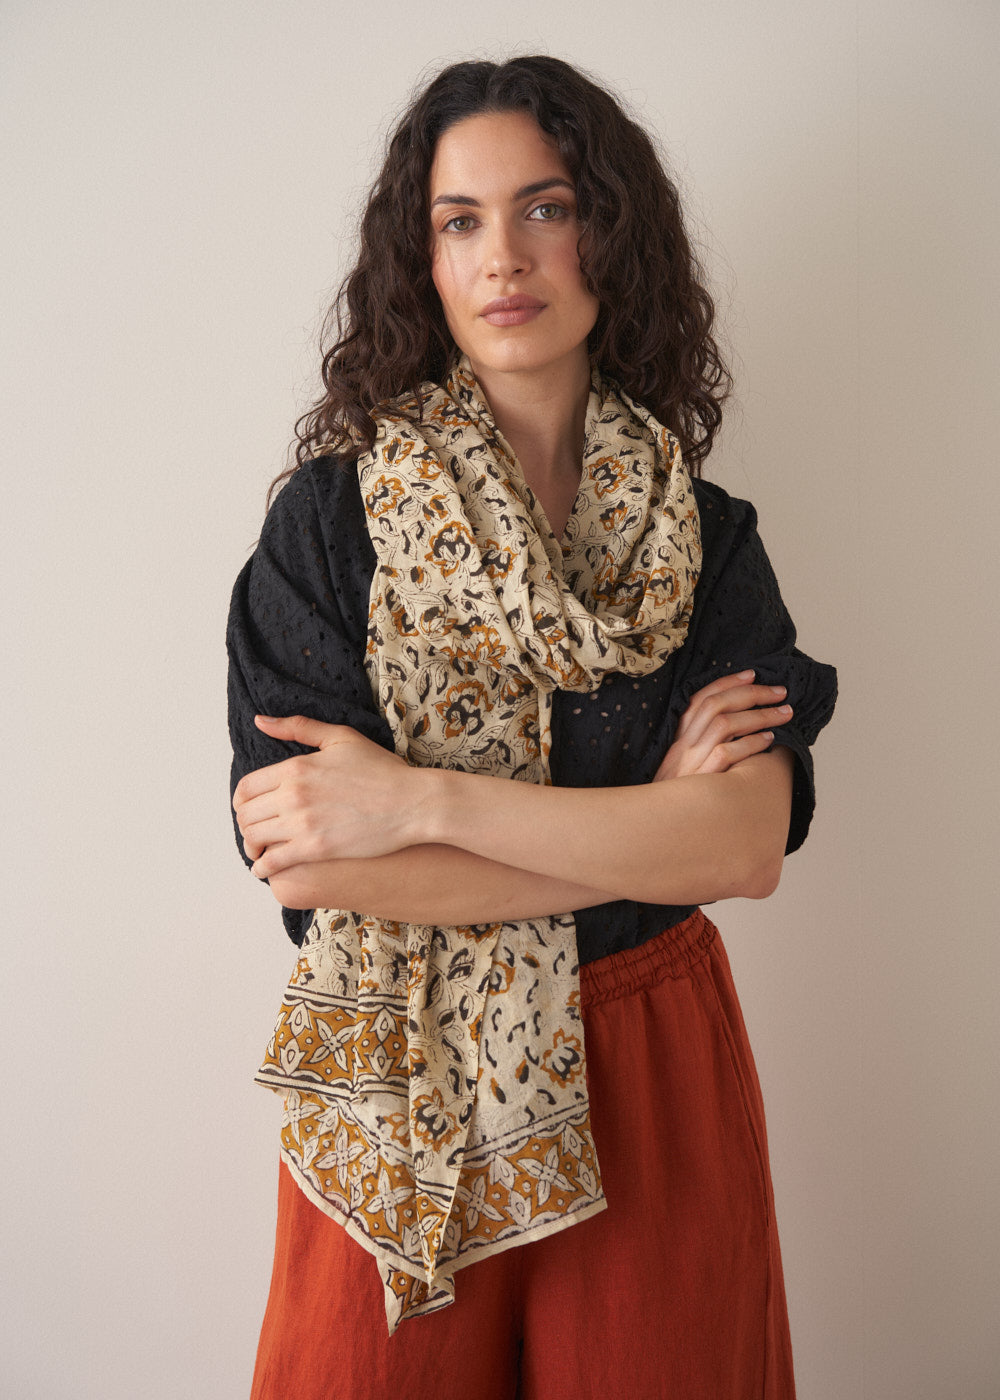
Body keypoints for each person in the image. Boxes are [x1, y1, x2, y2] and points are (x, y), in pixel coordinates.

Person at [227, 55, 836, 1400]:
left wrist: (420, 804)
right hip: (396, 1059)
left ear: (610, 234)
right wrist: (652, 834)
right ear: (423, 262)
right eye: (460, 220)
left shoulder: (706, 540)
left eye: (545, 208)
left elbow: (746, 845)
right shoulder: (327, 529)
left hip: (649, 1055)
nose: (503, 255)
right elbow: (315, 867)